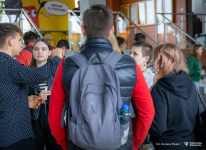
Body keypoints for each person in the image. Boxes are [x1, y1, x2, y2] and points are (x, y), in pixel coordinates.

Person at [48, 5, 155, 150]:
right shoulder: (130, 65)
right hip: (120, 144)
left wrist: (65, 143)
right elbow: (147, 112)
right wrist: (133, 143)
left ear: (83, 30)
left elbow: (54, 114)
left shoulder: (66, 65)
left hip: (78, 144)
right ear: (111, 30)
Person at [0, 23, 63, 150]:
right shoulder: (9, 64)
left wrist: (24, 102)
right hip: (16, 135)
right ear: (10, 41)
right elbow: (38, 75)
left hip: (2, 135)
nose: (22, 45)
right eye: (19, 40)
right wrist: (57, 58)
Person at [149, 43, 198, 150]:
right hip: (191, 143)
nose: (152, 63)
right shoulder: (190, 83)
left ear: (163, 62)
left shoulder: (159, 89)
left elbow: (158, 128)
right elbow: (196, 117)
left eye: (155, 59)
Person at [28, 38, 63, 150]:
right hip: (34, 118)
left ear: (49, 53)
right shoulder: (26, 74)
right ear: (33, 53)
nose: (39, 52)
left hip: (53, 116)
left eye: (43, 49)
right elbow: (21, 96)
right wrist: (37, 97)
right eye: (36, 49)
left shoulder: (57, 72)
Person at [130, 41, 154, 150]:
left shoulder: (151, 79)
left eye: (135, 54)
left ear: (145, 58)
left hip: (142, 129)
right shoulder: (130, 75)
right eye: (130, 53)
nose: (130, 56)